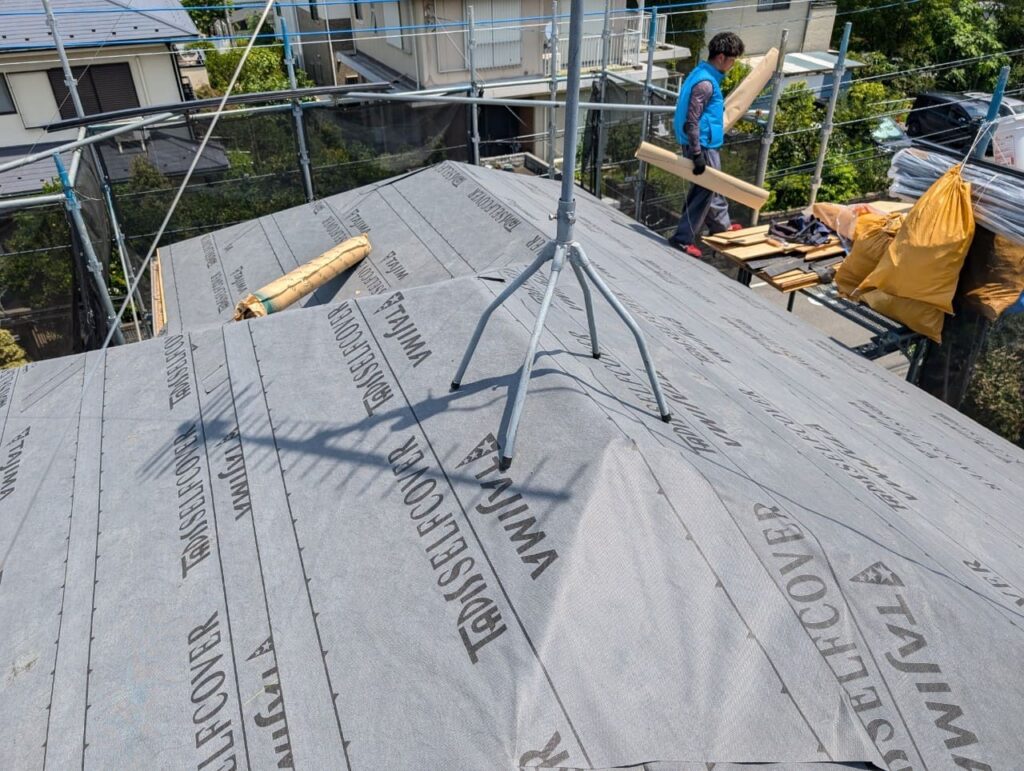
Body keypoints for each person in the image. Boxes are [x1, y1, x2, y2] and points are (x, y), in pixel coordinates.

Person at [668, 31, 746, 258]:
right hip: (701, 145)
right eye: (732, 60)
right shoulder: (705, 83)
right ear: (721, 57)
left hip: (704, 143)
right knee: (705, 190)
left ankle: (721, 226)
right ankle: (682, 239)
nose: (732, 65)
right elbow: (692, 120)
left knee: (713, 187)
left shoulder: (700, 74)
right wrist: (697, 154)